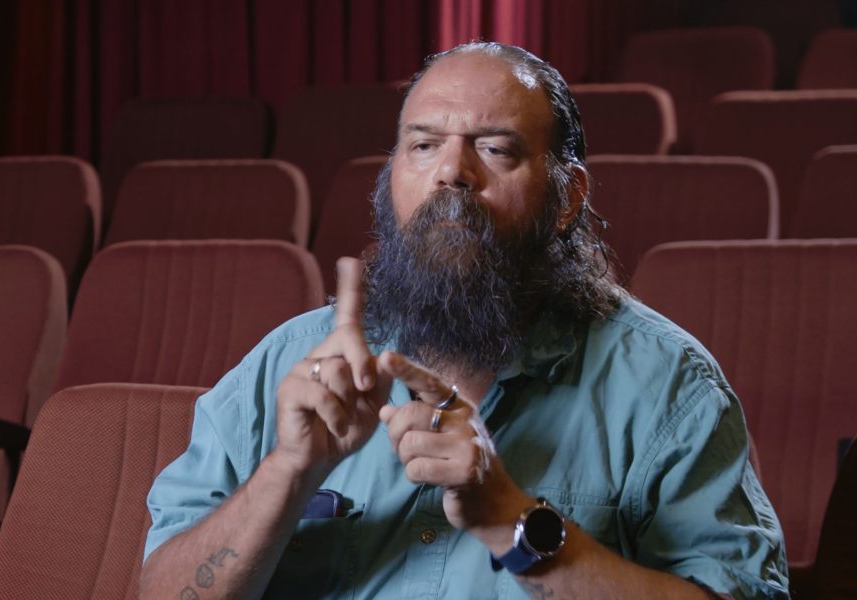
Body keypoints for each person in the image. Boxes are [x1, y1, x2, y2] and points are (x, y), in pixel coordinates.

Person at [140, 42, 789, 599]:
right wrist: (287, 472)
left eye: (496, 149)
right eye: (423, 145)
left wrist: (513, 524)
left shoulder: (666, 384)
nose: (452, 171)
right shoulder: (288, 363)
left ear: (568, 198)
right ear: (392, 178)